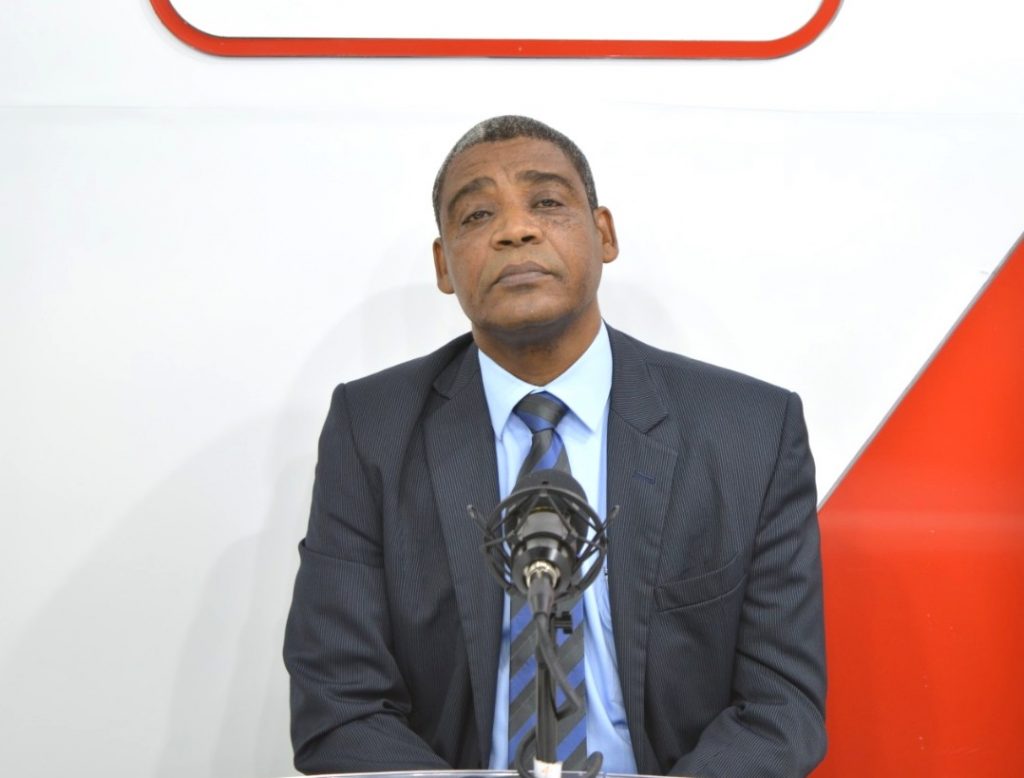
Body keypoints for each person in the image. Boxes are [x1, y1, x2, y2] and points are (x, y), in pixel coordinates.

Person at [284, 116, 827, 777]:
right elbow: (339, 705)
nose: (515, 229)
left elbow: (780, 707)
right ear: (444, 266)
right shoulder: (372, 431)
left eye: (545, 202)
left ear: (604, 234)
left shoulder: (748, 430)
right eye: (478, 214)